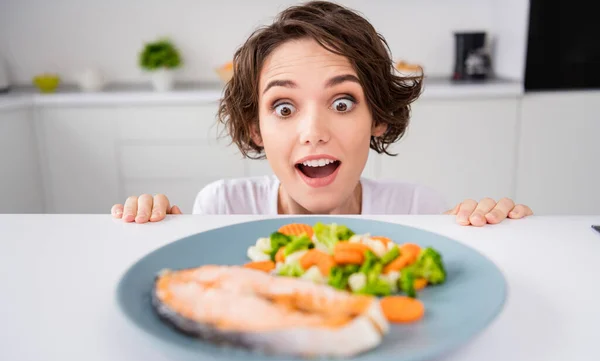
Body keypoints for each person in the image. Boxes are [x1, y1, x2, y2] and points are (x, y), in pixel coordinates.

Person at [111, 0, 533, 227]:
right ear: (256, 128)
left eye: (343, 103)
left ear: (379, 117)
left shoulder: (419, 210)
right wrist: (152, 228)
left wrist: (500, 231)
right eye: (284, 107)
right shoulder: (221, 207)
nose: (313, 132)